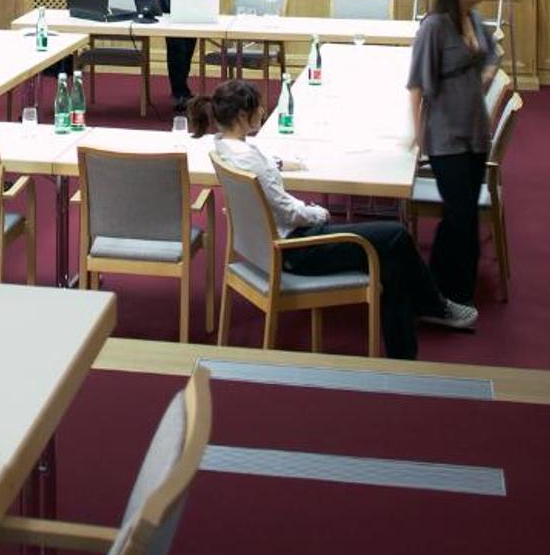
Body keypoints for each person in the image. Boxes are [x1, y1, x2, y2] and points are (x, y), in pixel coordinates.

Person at [189, 80, 473, 358]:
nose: (263, 111)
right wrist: (320, 213)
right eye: (259, 108)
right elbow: (288, 211)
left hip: (268, 247)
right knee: (397, 235)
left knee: (390, 261)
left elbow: (262, 172)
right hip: (295, 250)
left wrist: (276, 165)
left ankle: (408, 344)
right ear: (242, 116)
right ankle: (435, 308)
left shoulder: (225, 149)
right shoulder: (250, 161)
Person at [408, 0, 499, 306]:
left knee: (464, 212)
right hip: (446, 133)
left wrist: (484, 75)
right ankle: (448, 293)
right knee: (460, 216)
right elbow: (417, 85)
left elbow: (492, 54)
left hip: (475, 128)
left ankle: (447, 289)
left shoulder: (474, 19)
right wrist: (419, 136)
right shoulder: (434, 27)